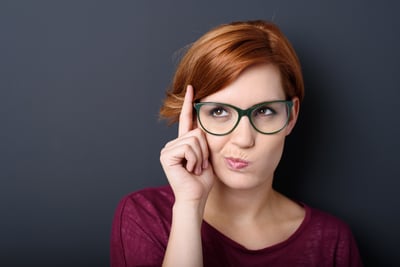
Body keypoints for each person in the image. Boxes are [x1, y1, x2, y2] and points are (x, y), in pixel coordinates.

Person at [110, 20, 363, 267]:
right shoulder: (144, 216)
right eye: (219, 111)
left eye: (264, 111)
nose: (244, 139)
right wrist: (189, 206)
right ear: (193, 118)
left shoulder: (332, 241)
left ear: (291, 116)